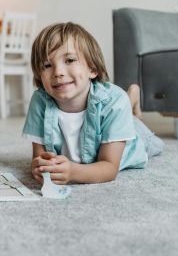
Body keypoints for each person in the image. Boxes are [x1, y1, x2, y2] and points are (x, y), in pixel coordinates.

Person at [23, 22, 164, 185]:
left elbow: (110, 168)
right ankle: (130, 99)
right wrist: (40, 167)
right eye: (47, 65)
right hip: (114, 113)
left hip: (132, 135)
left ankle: (130, 100)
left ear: (92, 69)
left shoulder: (114, 102)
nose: (58, 72)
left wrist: (73, 172)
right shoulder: (40, 101)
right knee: (121, 109)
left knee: (153, 142)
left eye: (69, 60)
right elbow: (39, 159)